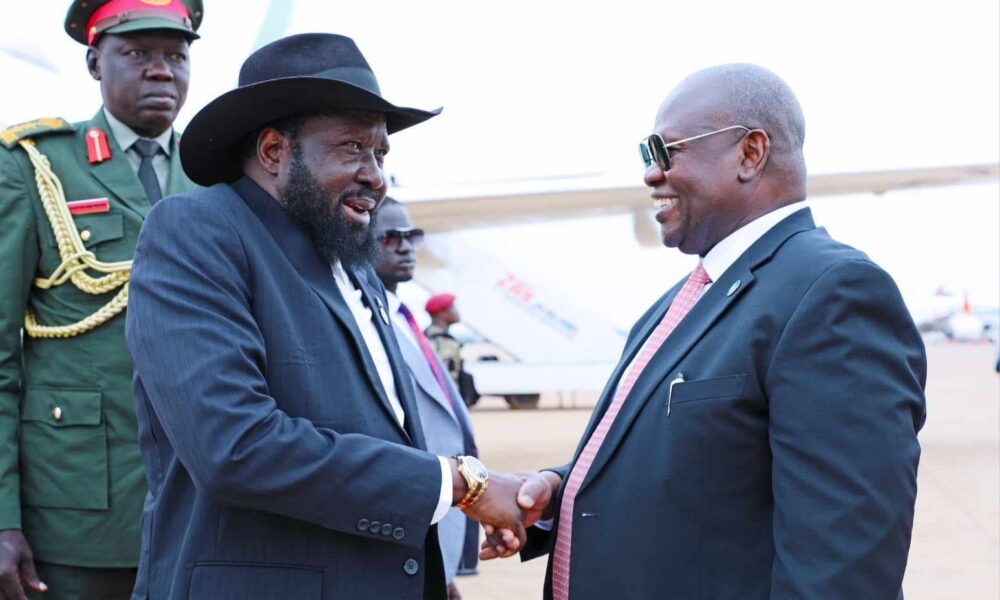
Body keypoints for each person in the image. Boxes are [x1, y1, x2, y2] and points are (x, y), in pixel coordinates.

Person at [123, 33, 543, 600]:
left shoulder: (353, 263)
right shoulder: (198, 231)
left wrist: (427, 573)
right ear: (274, 151)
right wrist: (459, 484)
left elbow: (383, 433)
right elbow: (235, 446)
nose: (376, 175)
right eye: (352, 148)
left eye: (381, 154)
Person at [487, 64, 928, 599]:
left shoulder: (833, 293)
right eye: (647, 154)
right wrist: (560, 489)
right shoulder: (681, 301)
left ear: (750, 153)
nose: (651, 173)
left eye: (667, 150)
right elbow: (703, 466)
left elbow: (844, 565)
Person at [0, 2, 203, 598]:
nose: (161, 70)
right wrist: (2, 517)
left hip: (204, 502)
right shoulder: (36, 166)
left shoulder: (216, 173)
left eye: (176, 55)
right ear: (95, 62)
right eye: (137, 53)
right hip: (78, 509)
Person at [372, 198, 481, 600]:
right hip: (412, 523)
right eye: (390, 237)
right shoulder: (368, 325)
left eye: (411, 236)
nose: (405, 247)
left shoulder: (402, 316)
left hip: (441, 516)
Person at [424, 294, 479, 407]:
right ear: (442, 313)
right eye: (452, 307)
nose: (456, 311)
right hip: (445, 400)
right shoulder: (438, 340)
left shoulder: (433, 337)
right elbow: (441, 375)